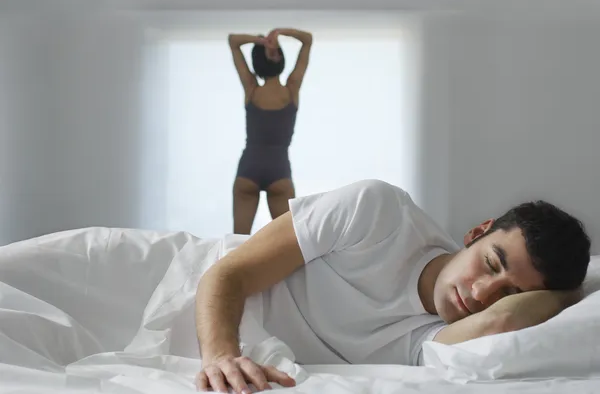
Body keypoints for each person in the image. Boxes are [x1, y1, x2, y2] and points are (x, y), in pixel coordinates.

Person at [194, 179, 591, 393]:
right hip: (196, 286)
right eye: (490, 264)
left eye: (510, 294)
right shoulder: (378, 212)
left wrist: (571, 292)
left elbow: (497, 325)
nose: (481, 294)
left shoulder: (436, 337)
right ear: (476, 232)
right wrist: (220, 355)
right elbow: (229, 274)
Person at [228, 28, 313, 235]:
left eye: (275, 49)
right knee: (238, 244)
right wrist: (264, 40)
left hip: (252, 167)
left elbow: (234, 41)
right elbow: (233, 40)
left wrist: (276, 33)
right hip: (276, 168)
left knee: (285, 243)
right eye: (268, 49)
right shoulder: (289, 90)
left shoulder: (253, 89)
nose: (273, 49)